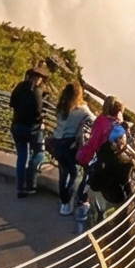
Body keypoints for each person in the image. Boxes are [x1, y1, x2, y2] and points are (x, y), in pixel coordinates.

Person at [70, 96, 123, 222]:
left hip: (95, 157)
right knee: (98, 187)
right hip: (105, 162)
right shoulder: (116, 126)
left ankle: (82, 208)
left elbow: (94, 139)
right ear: (117, 111)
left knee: (86, 181)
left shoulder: (100, 120)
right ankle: (96, 215)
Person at [83, 120, 135, 228]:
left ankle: (96, 223)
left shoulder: (102, 149)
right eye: (123, 138)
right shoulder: (125, 163)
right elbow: (126, 183)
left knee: (100, 210)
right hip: (112, 196)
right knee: (121, 205)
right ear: (120, 141)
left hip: (96, 188)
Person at [47, 83, 92, 215]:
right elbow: (94, 120)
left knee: (63, 173)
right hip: (69, 145)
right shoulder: (82, 109)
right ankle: (66, 205)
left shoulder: (61, 107)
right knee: (73, 174)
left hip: (57, 143)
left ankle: (63, 201)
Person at [8, 62, 48, 197]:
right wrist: (41, 121)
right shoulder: (36, 91)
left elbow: (12, 103)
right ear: (37, 78)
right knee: (39, 152)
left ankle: (20, 188)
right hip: (33, 130)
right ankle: (30, 182)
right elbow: (38, 111)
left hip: (17, 127)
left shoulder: (19, 87)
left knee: (21, 157)